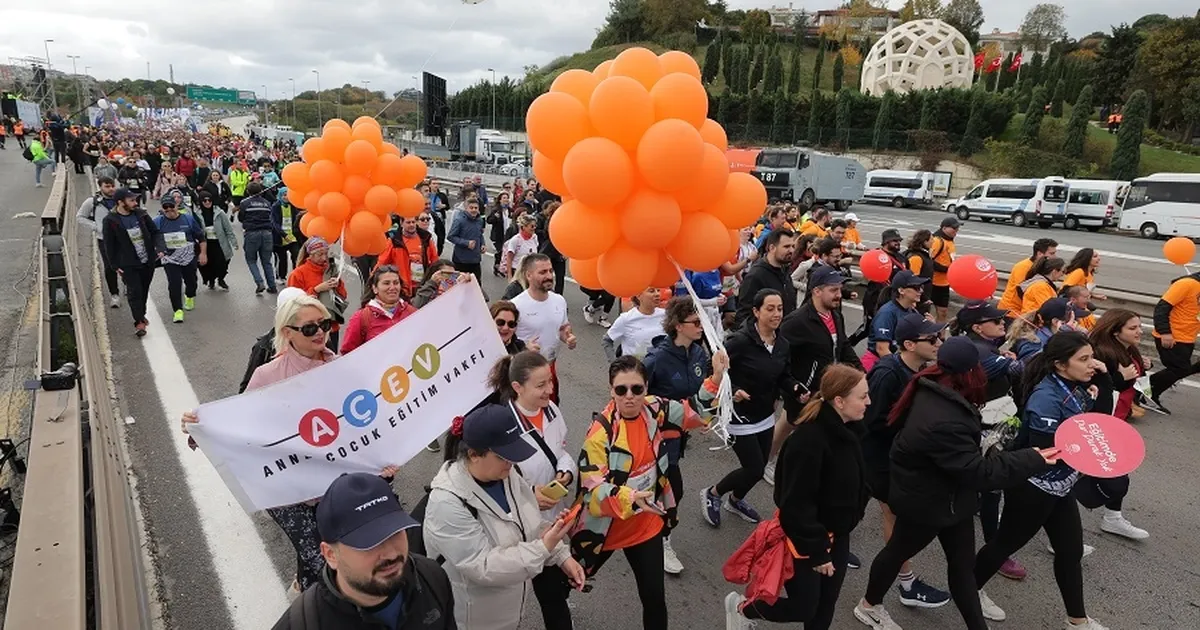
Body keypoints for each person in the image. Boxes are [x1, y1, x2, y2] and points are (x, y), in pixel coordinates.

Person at [185, 296, 398, 593]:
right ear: (288, 333)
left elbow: (366, 417)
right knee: (324, 563)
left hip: (333, 485)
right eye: (309, 328)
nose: (321, 333)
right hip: (288, 493)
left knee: (321, 560)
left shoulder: (341, 367)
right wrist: (202, 429)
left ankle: (304, 593)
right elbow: (240, 424)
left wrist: (384, 457)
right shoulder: (268, 375)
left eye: (324, 325)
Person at [855, 337, 1058, 630]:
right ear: (969, 373)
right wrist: (1032, 458)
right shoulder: (944, 418)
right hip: (927, 501)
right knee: (898, 551)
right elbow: (979, 472)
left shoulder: (934, 387)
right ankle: (869, 605)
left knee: (962, 568)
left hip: (951, 497)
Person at [973, 332, 1112, 630]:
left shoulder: (1076, 386)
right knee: (1004, 544)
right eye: (1084, 359)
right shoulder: (1046, 398)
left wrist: (1105, 380)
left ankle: (1077, 620)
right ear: (1061, 365)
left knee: (1070, 551)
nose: (1093, 364)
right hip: (1032, 486)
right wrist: (1092, 459)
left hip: (1059, 485)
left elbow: (1101, 424)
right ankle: (968, 591)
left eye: (1092, 357)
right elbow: (1048, 450)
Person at [574, 355, 719, 630]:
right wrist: (630, 497)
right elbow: (592, 492)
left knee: (654, 600)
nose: (629, 397)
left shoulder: (655, 409)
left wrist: (716, 379)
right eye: (621, 390)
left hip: (646, 525)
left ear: (646, 388)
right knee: (566, 581)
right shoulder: (600, 434)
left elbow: (693, 412)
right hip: (604, 529)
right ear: (611, 391)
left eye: (637, 389)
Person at [725, 364, 871, 629]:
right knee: (804, 607)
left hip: (837, 536)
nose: (868, 402)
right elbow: (794, 503)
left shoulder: (852, 432)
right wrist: (818, 553)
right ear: (839, 401)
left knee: (824, 608)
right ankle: (743, 609)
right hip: (806, 539)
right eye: (862, 396)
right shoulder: (808, 442)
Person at [423, 404, 584, 630]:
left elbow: (530, 524)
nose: (512, 463)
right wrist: (544, 548)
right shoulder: (448, 502)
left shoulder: (508, 475)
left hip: (508, 612)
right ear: (474, 455)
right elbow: (484, 566)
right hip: (473, 620)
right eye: (503, 457)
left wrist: (561, 554)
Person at [270, 473, 456, 630]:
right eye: (369, 542)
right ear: (330, 555)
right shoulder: (303, 624)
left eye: (395, 532)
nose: (391, 554)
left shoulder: (432, 577)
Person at [858, 315, 953, 611]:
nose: (940, 343)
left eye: (940, 337)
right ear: (910, 345)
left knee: (874, 512)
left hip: (896, 456)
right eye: (933, 339)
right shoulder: (888, 373)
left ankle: (824, 545)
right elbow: (868, 420)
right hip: (879, 458)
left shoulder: (920, 369)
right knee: (894, 517)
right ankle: (906, 584)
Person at [486, 350, 579, 627]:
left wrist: (566, 473)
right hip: (517, 532)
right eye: (541, 385)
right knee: (511, 600)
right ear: (517, 387)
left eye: (549, 381)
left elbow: (561, 451)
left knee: (553, 597)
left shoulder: (552, 410)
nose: (550, 390)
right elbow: (491, 480)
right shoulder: (503, 425)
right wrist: (529, 494)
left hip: (551, 523)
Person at [703, 289, 801, 528]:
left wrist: (796, 388)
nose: (776, 314)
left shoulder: (782, 344)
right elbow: (713, 370)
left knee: (759, 465)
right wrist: (734, 388)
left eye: (779, 308)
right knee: (754, 468)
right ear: (756, 312)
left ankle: (735, 500)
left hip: (765, 414)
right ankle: (713, 493)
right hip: (738, 415)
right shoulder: (739, 341)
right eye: (770, 309)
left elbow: (783, 376)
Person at [769, 267, 863, 485]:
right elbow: (779, 355)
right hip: (804, 391)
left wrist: (860, 373)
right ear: (817, 291)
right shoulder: (797, 321)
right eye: (833, 290)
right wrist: (792, 385)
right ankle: (781, 468)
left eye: (840, 289)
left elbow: (843, 346)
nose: (839, 294)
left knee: (787, 425)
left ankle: (769, 458)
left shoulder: (835, 315)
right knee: (802, 433)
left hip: (826, 388)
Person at [1084, 309, 1150, 540]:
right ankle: (1060, 534)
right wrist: (1121, 378)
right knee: (1077, 475)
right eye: (1133, 328)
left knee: (1120, 468)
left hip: (1117, 419)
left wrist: (1142, 368)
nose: (1139, 331)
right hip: (1100, 421)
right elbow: (1094, 389)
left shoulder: (1127, 349)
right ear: (1115, 331)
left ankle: (1112, 518)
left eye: (1139, 326)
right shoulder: (1101, 353)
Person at [511, 254, 576, 403]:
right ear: (529, 275)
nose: (549, 276)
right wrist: (523, 348)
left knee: (550, 412)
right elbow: (504, 339)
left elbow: (562, 327)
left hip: (550, 368)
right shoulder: (516, 305)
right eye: (542, 272)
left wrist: (568, 337)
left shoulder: (559, 300)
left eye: (550, 271)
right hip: (526, 372)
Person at [102, 188, 162, 337]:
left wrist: (159, 248)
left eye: (135, 200)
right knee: (134, 292)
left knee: (143, 290)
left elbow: (155, 232)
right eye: (131, 200)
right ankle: (139, 322)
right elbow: (109, 245)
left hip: (147, 261)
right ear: (120, 202)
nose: (135, 203)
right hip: (128, 263)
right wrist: (114, 265)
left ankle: (141, 314)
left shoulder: (141, 214)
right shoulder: (110, 220)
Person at [1149, 269, 1200, 413]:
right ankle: (1145, 391)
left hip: (1187, 337)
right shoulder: (1187, 284)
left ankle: (1148, 391)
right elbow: (1161, 308)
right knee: (1179, 369)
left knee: (1181, 368)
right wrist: (1165, 332)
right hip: (1172, 336)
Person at [340, 265, 418, 354]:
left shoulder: (412, 313)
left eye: (396, 283)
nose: (392, 287)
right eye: (386, 283)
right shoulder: (361, 318)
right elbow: (347, 353)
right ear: (375, 288)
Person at [153, 196, 207, 323]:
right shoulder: (157, 222)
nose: (169, 209)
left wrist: (203, 253)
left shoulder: (187, 219)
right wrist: (158, 250)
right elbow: (152, 238)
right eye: (165, 207)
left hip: (188, 256)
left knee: (191, 281)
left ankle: (189, 295)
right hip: (170, 258)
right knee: (174, 284)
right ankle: (177, 310)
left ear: (176, 206)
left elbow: (201, 237)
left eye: (171, 206)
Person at [288, 237, 348, 351]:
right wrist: (316, 290)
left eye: (326, 253)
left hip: (331, 326)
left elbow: (343, 296)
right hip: (309, 330)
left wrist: (338, 284)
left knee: (330, 361)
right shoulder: (298, 274)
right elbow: (292, 303)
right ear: (310, 255)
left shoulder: (331, 270)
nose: (324, 258)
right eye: (320, 254)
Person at [865, 271, 929, 372]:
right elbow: (882, 349)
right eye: (916, 288)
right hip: (879, 365)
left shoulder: (912, 311)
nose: (920, 291)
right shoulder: (887, 313)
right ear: (901, 290)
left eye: (921, 287)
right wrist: (901, 370)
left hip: (897, 362)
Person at [735, 229, 799, 326]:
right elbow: (744, 315)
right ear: (772, 248)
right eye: (786, 246)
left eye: (793, 246)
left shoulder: (784, 270)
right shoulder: (756, 276)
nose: (791, 250)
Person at [77, 175, 122, 308]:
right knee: (109, 266)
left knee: (127, 263)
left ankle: (128, 286)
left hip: (122, 238)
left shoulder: (120, 199)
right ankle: (114, 294)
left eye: (112, 185)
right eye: (107, 186)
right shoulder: (92, 202)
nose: (111, 189)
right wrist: (97, 227)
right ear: (100, 187)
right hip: (104, 239)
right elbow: (80, 217)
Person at [375, 214, 440, 299]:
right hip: (403, 287)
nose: (412, 225)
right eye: (408, 222)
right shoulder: (394, 241)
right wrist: (373, 278)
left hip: (422, 285)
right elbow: (382, 262)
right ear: (401, 223)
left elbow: (435, 261)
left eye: (413, 222)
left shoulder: (426, 238)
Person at [603, 286, 666, 362]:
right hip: (634, 370)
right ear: (639, 295)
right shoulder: (626, 318)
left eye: (658, 290)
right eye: (651, 291)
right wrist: (615, 364)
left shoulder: (665, 315)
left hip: (660, 369)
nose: (657, 294)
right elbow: (607, 340)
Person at [196, 192, 237, 291]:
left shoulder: (220, 213)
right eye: (204, 201)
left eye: (209, 200)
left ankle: (221, 279)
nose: (207, 202)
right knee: (208, 264)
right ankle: (211, 280)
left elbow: (228, 228)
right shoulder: (197, 214)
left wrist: (233, 241)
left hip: (219, 242)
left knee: (223, 262)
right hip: (206, 243)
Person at [447, 198, 486, 282]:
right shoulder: (459, 220)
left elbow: (480, 234)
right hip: (461, 260)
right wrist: (466, 243)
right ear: (466, 208)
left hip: (475, 259)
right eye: (471, 208)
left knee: (476, 284)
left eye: (476, 208)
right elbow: (451, 236)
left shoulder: (479, 220)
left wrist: (483, 244)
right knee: (460, 285)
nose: (474, 210)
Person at [929, 217, 959, 323]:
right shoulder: (937, 241)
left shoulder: (950, 241)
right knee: (926, 312)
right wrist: (946, 269)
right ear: (944, 228)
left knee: (943, 312)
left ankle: (940, 335)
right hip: (933, 283)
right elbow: (929, 261)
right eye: (954, 229)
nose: (956, 231)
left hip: (944, 283)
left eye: (957, 228)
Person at [272, 189, 303, 281]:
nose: (286, 197)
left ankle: (296, 275)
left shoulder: (293, 206)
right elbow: (275, 223)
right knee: (282, 259)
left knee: (297, 256)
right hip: (280, 238)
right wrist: (284, 235)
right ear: (280, 196)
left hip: (292, 237)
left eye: (288, 195)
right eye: (284, 195)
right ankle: (281, 276)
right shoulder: (276, 206)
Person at [501, 213, 539, 280]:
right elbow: (509, 259)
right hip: (517, 271)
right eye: (532, 226)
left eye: (535, 226)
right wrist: (510, 276)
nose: (534, 228)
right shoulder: (515, 240)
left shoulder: (534, 237)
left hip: (530, 271)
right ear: (523, 227)